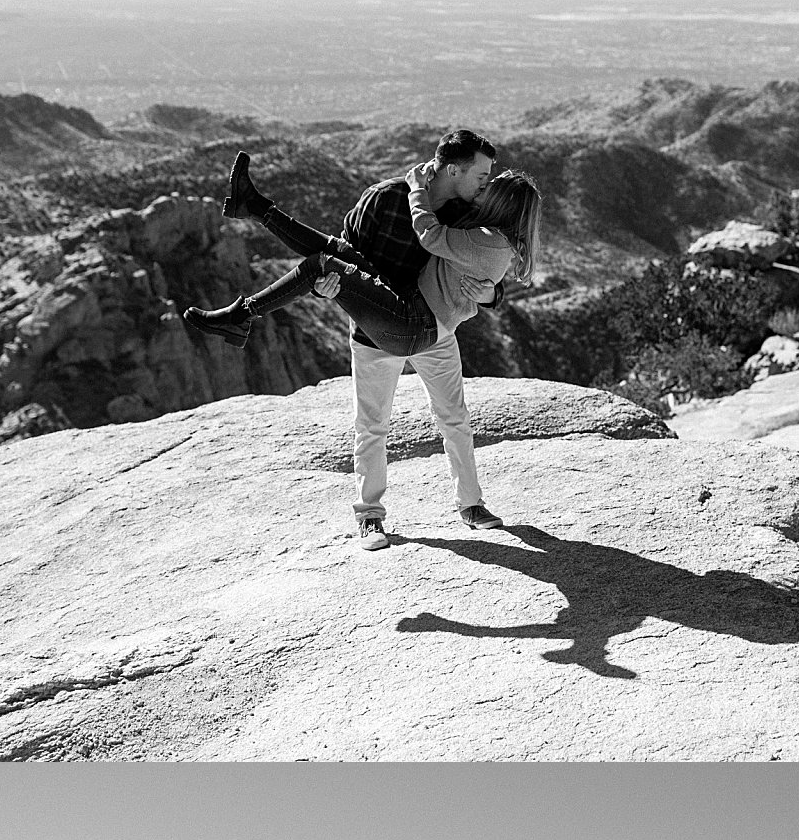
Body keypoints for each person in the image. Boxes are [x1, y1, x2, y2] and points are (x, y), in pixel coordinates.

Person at [183, 134, 536, 551]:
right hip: (379, 324)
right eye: (480, 174)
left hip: (428, 325)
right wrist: (329, 289)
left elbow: (484, 261)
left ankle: (471, 505)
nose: (484, 183)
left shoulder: (465, 211)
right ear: (453, 169)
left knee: (454, 417)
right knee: (371, 423)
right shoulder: (385, 199)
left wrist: (492, 294)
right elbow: (346, 260)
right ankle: (370, 517)